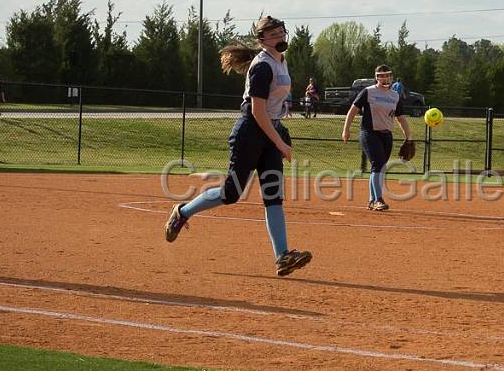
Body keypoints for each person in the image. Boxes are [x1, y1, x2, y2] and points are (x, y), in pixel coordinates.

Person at [163, 16, 312, 277]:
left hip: (269, 129)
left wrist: (280, 130)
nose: (281, 36)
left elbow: (273, 107)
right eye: (275, 33)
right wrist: (278, 142)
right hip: (250, 133)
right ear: (263, 39)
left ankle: (282, 257)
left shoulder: (281, 61)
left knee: (273, 195)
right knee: (232, 193)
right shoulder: (263, 66)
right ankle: (182, 212)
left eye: (282, 32)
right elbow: (257, 110)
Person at [341, 65, 411, 211]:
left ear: (391, 77)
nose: (385, 78)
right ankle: (378, 199)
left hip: (387, 135)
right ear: (377, 77)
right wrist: (346, 130)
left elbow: (401, 118)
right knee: (378, 164)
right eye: (382, 75)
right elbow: (353, 110)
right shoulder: (368, 92)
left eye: (388, 75)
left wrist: (408, 136)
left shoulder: (395, 96)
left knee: (379, 167)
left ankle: (372, 200)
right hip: (369, 133)